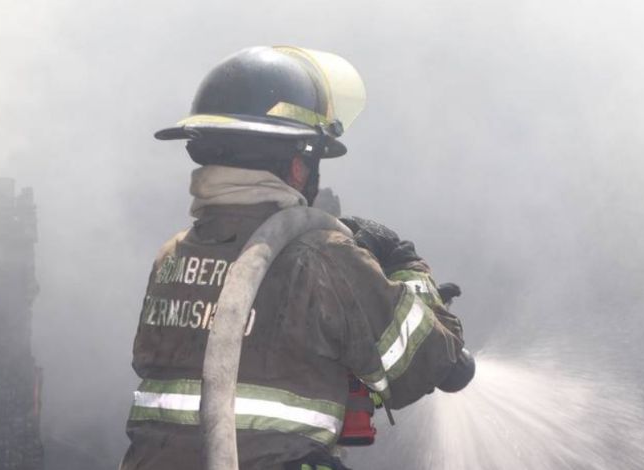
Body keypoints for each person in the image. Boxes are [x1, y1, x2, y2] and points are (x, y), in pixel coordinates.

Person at [120, 46, 475, 470]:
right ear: (298, 166)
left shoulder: (172, 257)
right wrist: (406, 267)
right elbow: (439, 365)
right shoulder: (322, 257)